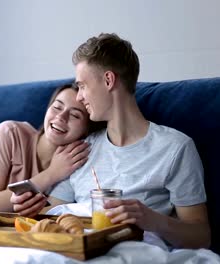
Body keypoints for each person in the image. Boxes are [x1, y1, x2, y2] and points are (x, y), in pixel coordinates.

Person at [11, 33, 211, 249]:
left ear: (108, 80)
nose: (79, 97)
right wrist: (30, 208)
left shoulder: (174, 148)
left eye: (83, 86)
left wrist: (153, 220)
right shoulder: (81, 149)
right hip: (75, 248)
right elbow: (52, 215)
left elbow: (201, 237)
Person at [0, 84, 105, 212]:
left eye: (75, 115)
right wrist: (51, 174)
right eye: (57, 107)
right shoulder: (9, 133)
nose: (61, 117)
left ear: (87, 130)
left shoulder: (76, 164)